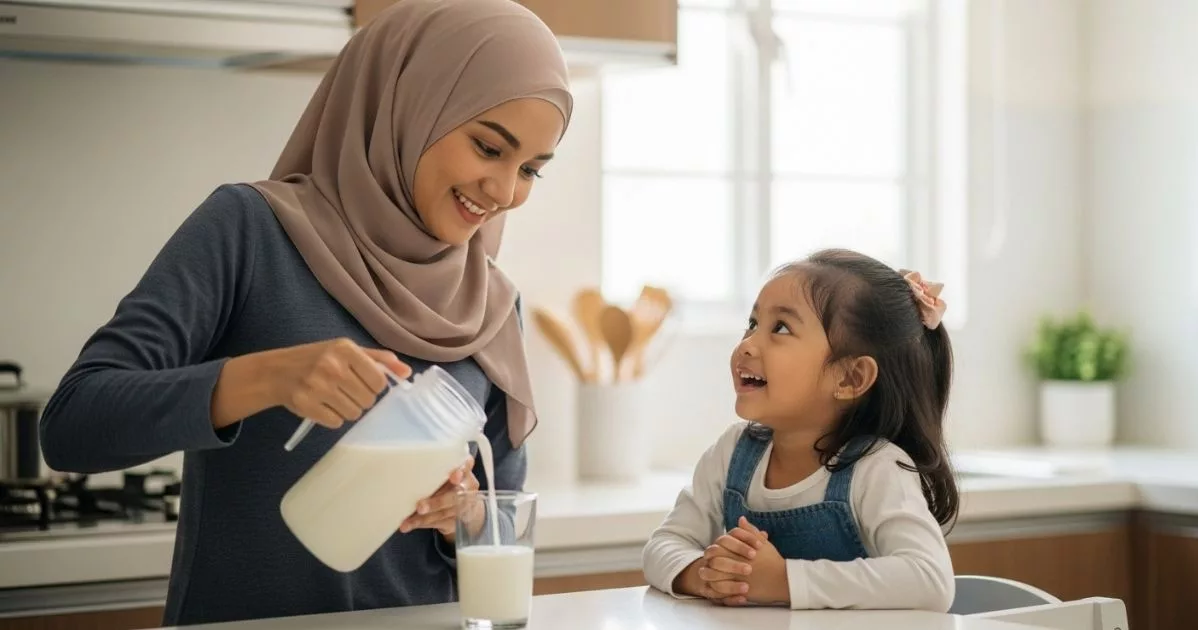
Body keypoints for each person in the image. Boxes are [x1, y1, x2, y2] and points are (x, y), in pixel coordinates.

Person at [37, 0, 573, 625]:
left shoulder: (492, 302)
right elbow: (72, 426)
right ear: (408, 104)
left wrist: (466, 517)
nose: (506, 193)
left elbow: (500, 521)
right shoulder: (251, 231)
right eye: (488, 148)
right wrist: (262, 378)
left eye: (531, 169)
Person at [641, 248, 959, 612]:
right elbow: (664, 544)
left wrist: (782, 580)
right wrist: (703, 573)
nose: (747, 345)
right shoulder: (732, 453)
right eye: (752, 323)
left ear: (850, 377)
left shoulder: (876, 468)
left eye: (780, 328)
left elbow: (930, 581)